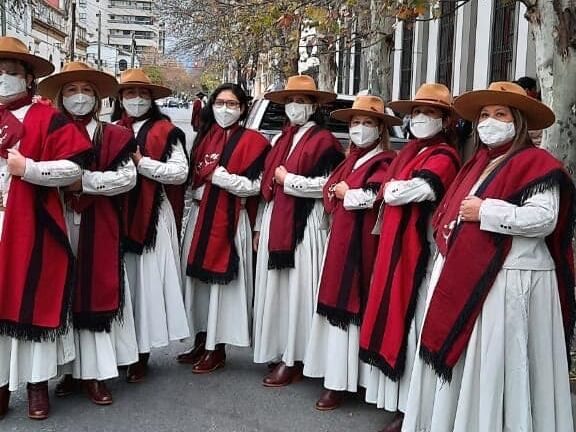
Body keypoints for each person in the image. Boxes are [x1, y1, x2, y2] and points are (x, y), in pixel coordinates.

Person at [402, 81, 575, 432]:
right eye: (484, 115)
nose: (489, 121)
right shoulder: (476, 163)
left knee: (503, 364)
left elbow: (545, 219)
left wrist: (487, 211)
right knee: (474, 364)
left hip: (511, 280)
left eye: (500, 114)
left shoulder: (538, 163)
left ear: (519, 122)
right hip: (471, 278)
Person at [358, 84, 461, 432]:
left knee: (414, 321)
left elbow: (415, 190)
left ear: (445, 120)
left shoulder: (445, 155)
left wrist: (389, 189)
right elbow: (392, 191)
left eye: (428, 113)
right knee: (397, 315)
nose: (419, 119)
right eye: (415, 112)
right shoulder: (409, 153)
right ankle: (397, 400)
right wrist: (391, 190)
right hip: (396, 247)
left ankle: (414, 409)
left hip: (422, 253)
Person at [0, 37, 93, 420]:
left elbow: (74, 170)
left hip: (34, 225)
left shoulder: (47, 118)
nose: (3, 79)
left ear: (28, 77)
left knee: (32, 302)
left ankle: (37, 385)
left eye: (9, 73)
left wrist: (32, 170)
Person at [37, 62, 139, 405]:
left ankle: (95, 373)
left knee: (96, 290)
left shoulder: (115, 135)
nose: (78, 97)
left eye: (85, 90)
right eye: (70, 90)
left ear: (96, 97)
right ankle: (67, 370)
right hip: (59, 220)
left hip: (100, 222)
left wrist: (88, 182)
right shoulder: (50, 132)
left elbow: (127, 178)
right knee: (61, 293)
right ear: (59, 98)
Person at [302, 95, 400, 410]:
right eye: (355, 122)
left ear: (380, 128)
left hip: (361, 244)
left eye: (368, 122)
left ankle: (344, 382)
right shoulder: (351, 158)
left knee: (352, 304)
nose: (360, 128)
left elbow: (376, 196)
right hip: (341, 240)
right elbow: (332, 189)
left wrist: (347, 193)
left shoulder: (384, 160)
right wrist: (339, 192)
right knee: (336, 303)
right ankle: (335, 373)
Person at [252, 75, 344, 386]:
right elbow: (267, 185)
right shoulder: (280, 139)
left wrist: (288, 180)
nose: (296, 106)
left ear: (314, 106)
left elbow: (327, 186)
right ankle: (280, 349)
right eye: (291, 100)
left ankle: (297, 356)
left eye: (303, 101)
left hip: (304, 226)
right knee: (276, 290)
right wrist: (256, 226)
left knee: (298, 291)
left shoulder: (324, 140)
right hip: (275, 220)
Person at [177, 83, 270, 373]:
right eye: (220, 103)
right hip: (201, 218)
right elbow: (193, 179)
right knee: (199, 285)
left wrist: (221, 177)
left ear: (243, 108)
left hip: (232, 220)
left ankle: (216, 348)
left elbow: (257, 186)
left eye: (232, 104)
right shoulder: (204, 138)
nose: (225, 109)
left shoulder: (255, 142)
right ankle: (200, 338)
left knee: (223, 289)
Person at [115, 69, 190, 383]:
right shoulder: (113, 128)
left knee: (146, 284)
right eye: (129, 94)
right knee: (123, 284)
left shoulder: (165, 130)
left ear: (152, 98)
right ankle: (121, 349)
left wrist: (141, 163)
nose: (135, 100)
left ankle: (142, 353)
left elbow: (179, 173)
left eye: (141, 94)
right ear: (120, 99)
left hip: (152, 218)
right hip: (117, 217)